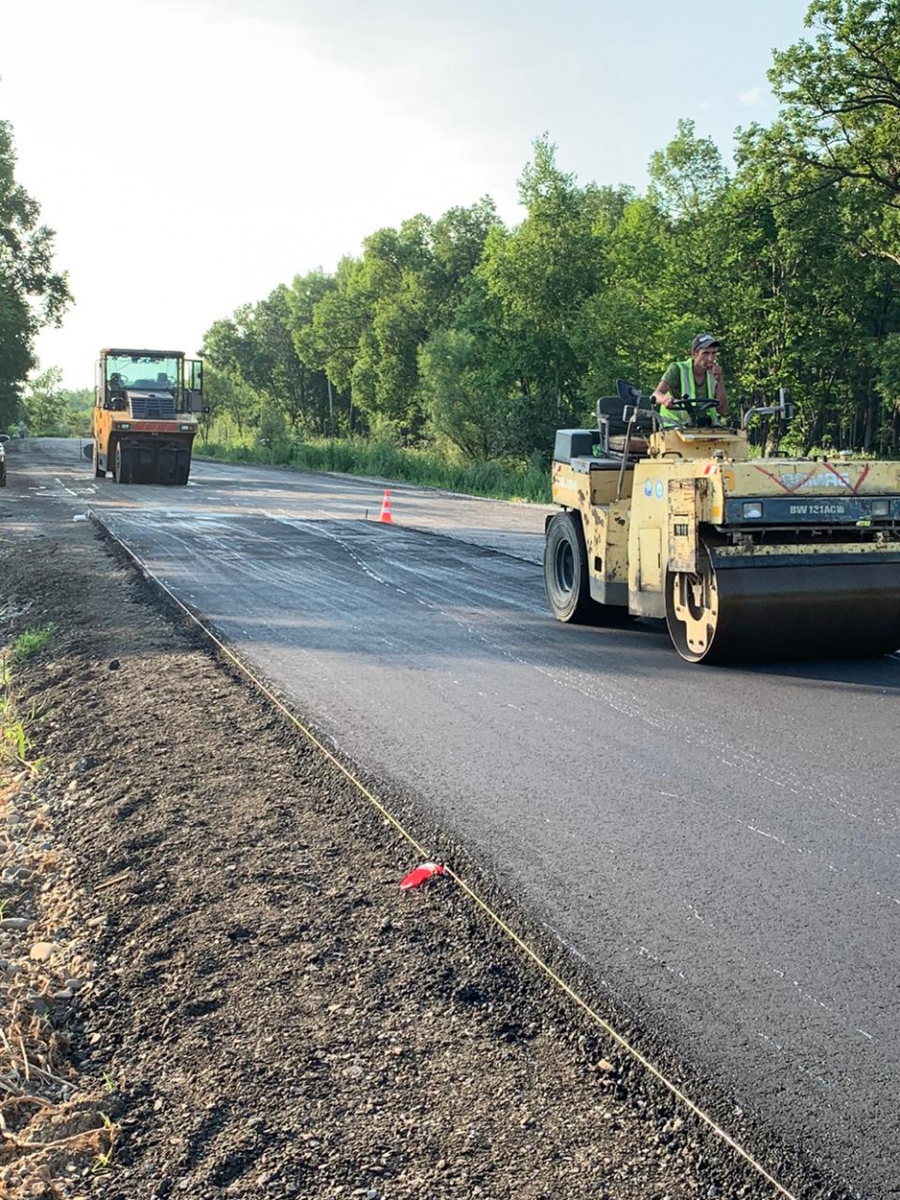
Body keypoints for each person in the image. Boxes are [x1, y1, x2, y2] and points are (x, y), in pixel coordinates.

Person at [651, 333, 728, 425]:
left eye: (714, 353)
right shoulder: (678, 369)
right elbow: (656, 395)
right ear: (694, 353)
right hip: (675, 427)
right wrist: (665, 400)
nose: (710, 359)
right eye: (706, 353)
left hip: (706, 428)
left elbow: (722, 410)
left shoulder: (714, 373)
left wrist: (720, 380)